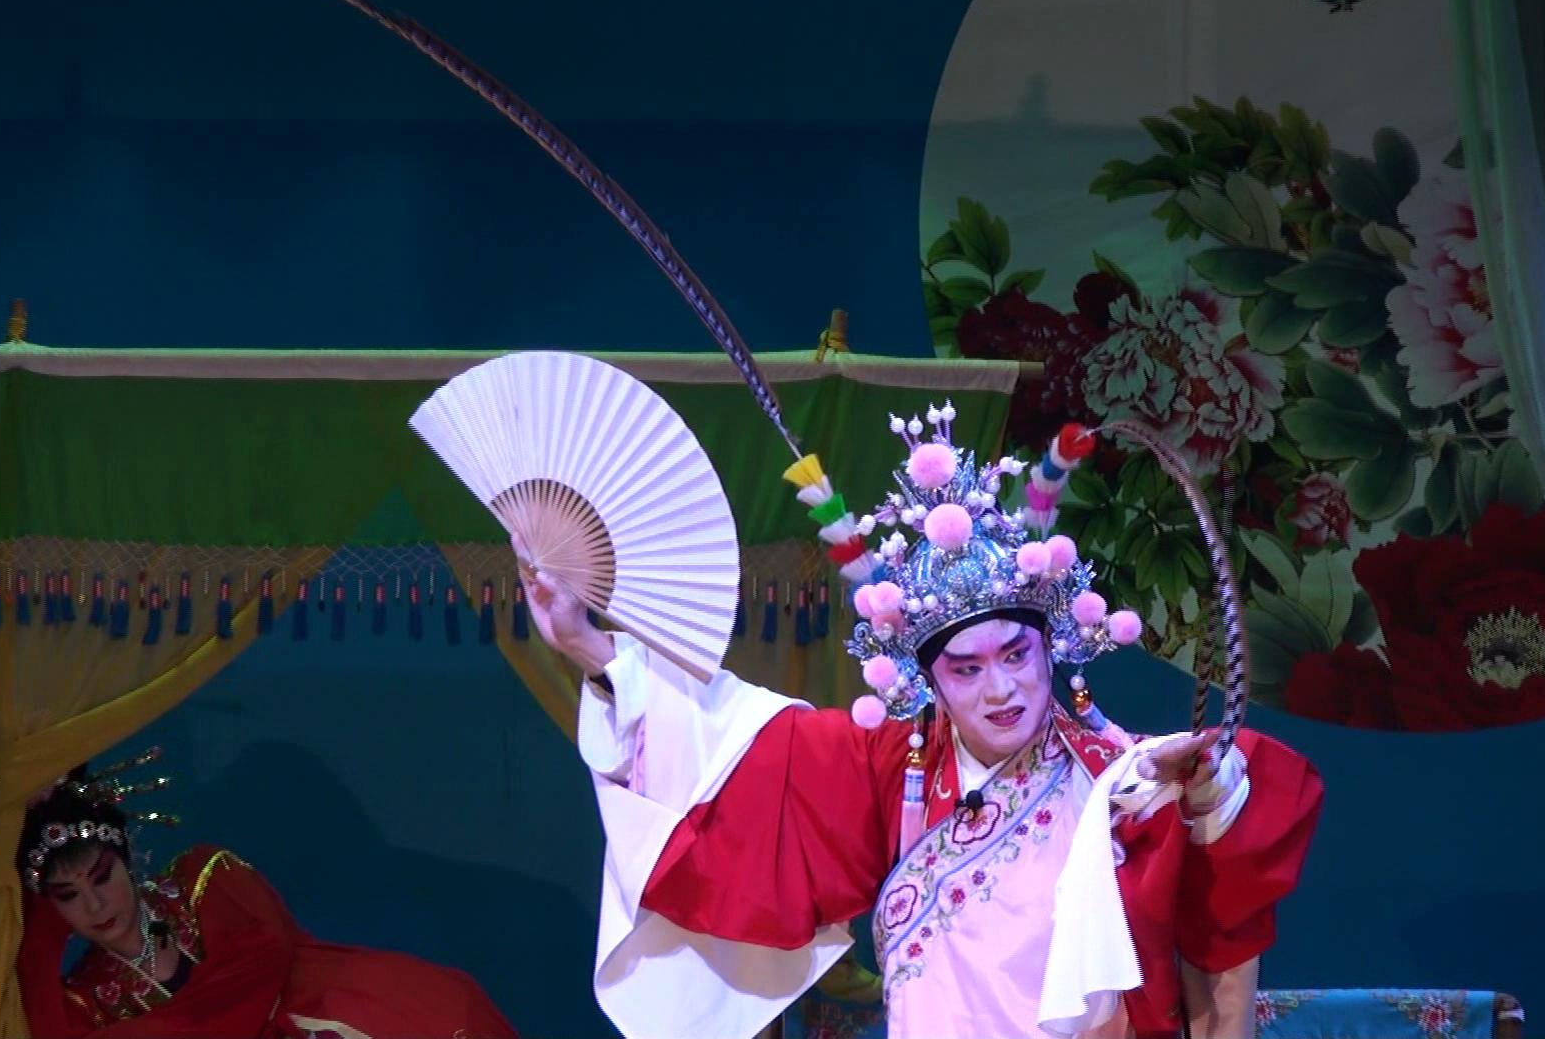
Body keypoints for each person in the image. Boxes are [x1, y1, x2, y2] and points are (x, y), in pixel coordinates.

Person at [527, 405, 1325, 1039]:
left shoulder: (1120, 777)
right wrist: (585, 644)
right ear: (928, 681)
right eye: (967, 669)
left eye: (1017, 654)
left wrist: (1203, 787)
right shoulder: (892, 769)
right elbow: (732, 747)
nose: (1001, 689)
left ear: (1051, 647)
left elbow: (1210, 846)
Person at [0, 748, 517, 1039]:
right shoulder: (87, 996)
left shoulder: (202, 877)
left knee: (447, 1007)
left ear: (127, 857)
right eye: (67, 896)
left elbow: (263, 958)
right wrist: (37, 919)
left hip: (337, 1009)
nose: (94, 906)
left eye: (101, 877)